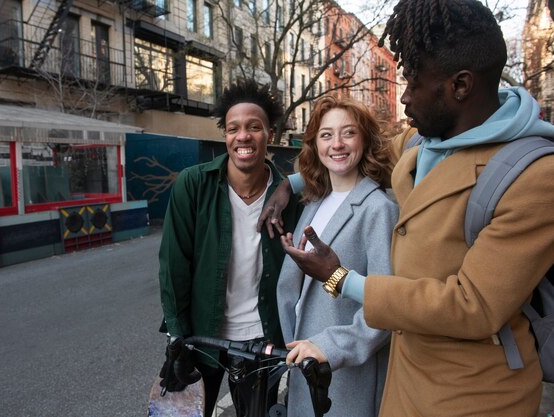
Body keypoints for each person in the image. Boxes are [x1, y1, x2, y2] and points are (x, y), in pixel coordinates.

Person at [258, 0, 554, 416]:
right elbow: (355, 157)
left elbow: (473, 306)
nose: (406, 99)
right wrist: (289, 185)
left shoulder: (535, 175)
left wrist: (341, 279)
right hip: (401, 381)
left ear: (461, 86)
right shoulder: (421, 143)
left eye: (414, 83)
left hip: (473, 395)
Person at [157, 79, 302, 417]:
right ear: (225, 134)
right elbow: (173, 264)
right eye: (233, 128)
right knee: (187, 413)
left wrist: (289, 184)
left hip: (263, 338)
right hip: (203, 335)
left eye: (254, 127)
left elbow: (335, 163)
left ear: (270, 134)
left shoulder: (290, 199)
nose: (243, 136)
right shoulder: (193, 185)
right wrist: (176, 335)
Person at [277, 96, 397, 417]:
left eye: (349, 133)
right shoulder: (314, 203)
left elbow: (386, 308)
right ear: (315, 144)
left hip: (345, 375)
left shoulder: (379, 209)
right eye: (326, 135)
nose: (337, 144)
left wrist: (329, 348)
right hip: (305, 366)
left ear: (365, 140)